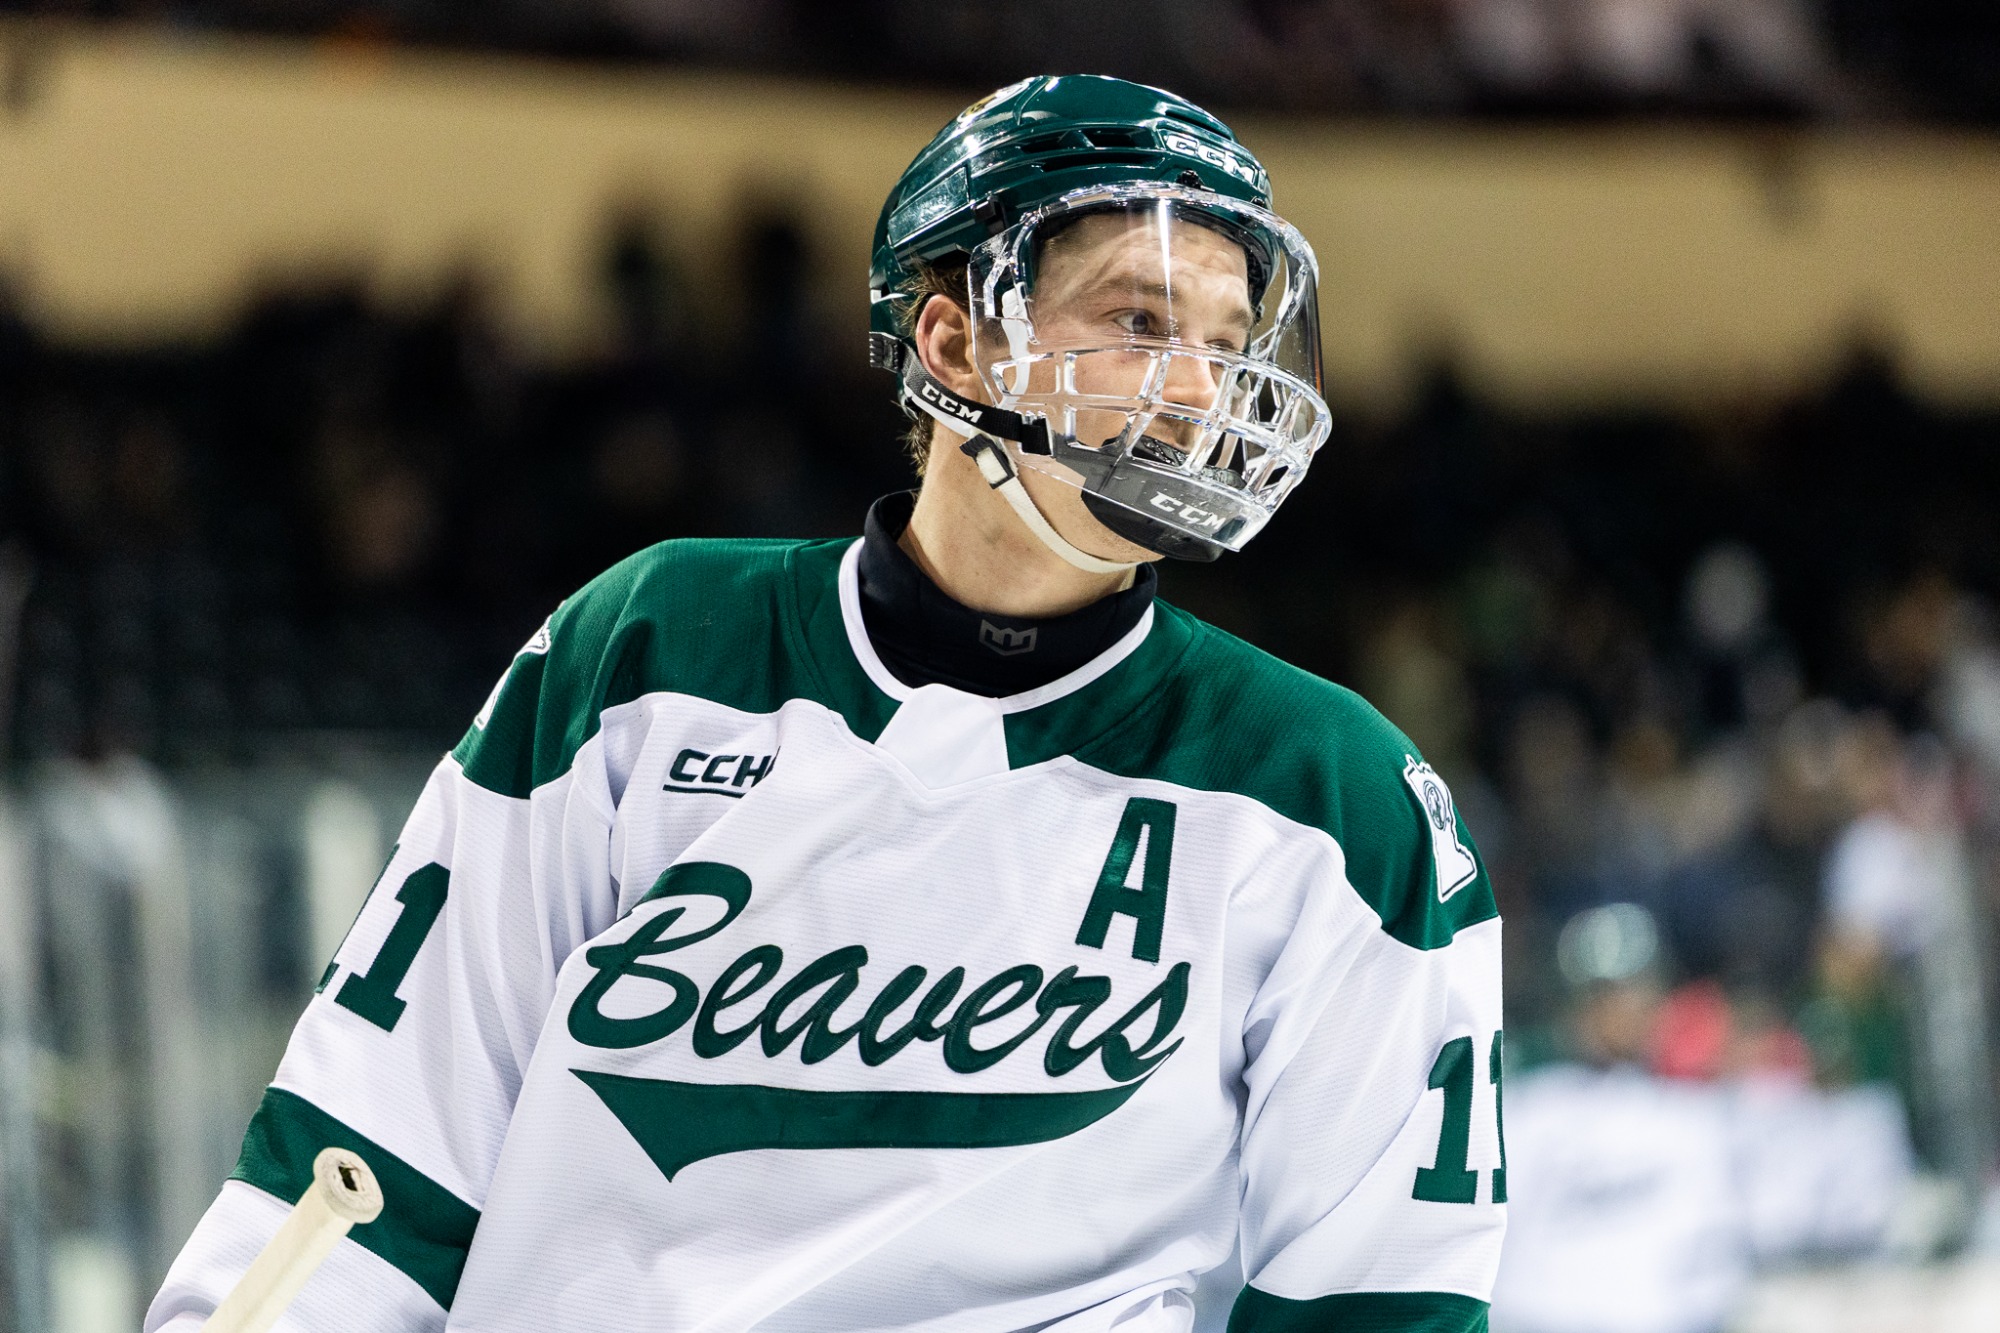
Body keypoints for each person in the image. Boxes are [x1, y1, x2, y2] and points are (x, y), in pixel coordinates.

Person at [146, 75, 1504, 1332]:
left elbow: (1384, 1295)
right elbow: (376, 1149)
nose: (1201, 391)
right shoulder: (653, 652)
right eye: (1140, 321)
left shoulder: (1338, 800)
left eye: (1220, 340)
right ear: (956, 343)